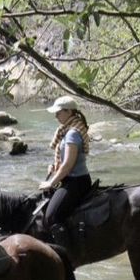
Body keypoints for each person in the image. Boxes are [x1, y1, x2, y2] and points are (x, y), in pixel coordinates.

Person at [38, 95, 92, 238]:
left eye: (58, 112)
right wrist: (53, 167)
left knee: (51, 216)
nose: (56, 116)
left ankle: (66, 253)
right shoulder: (68, 129)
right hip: (70, 179)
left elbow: (68, 165)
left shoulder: (73, 134)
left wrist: (51, 182)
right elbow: (64, 161)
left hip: (76, 181)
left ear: (69, 112)